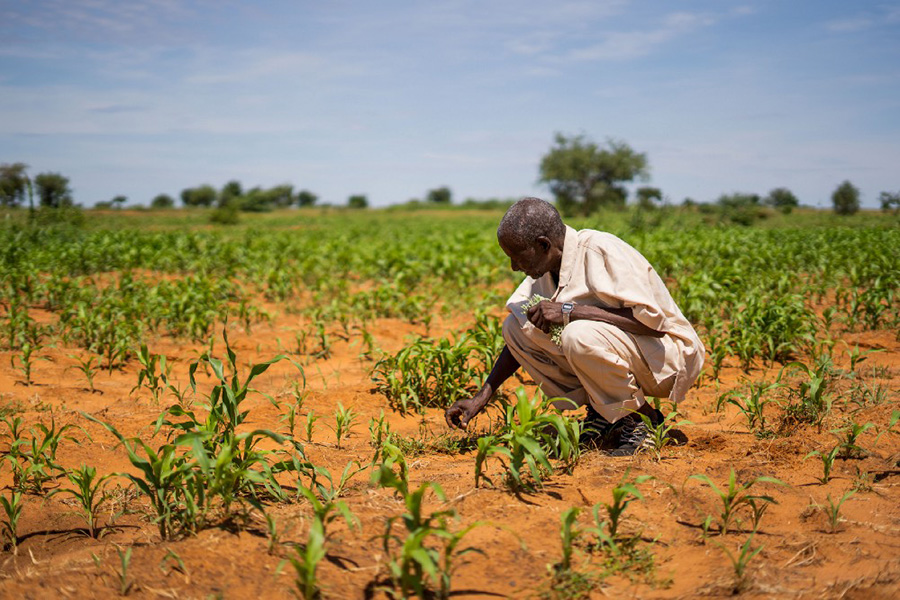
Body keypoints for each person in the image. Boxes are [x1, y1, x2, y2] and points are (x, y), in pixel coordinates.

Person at [444, 197, 705, 456]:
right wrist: (481, 397)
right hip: (628, 352)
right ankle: (605, 412)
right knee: (515, 325)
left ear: (543, 245)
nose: (514, 267)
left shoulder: (600, 251)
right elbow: (522, 335)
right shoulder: (547, 268)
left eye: (517, 257)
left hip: (665, 358)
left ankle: (644, 421)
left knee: (577, 333)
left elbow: (653, 325)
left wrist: (571, 311)